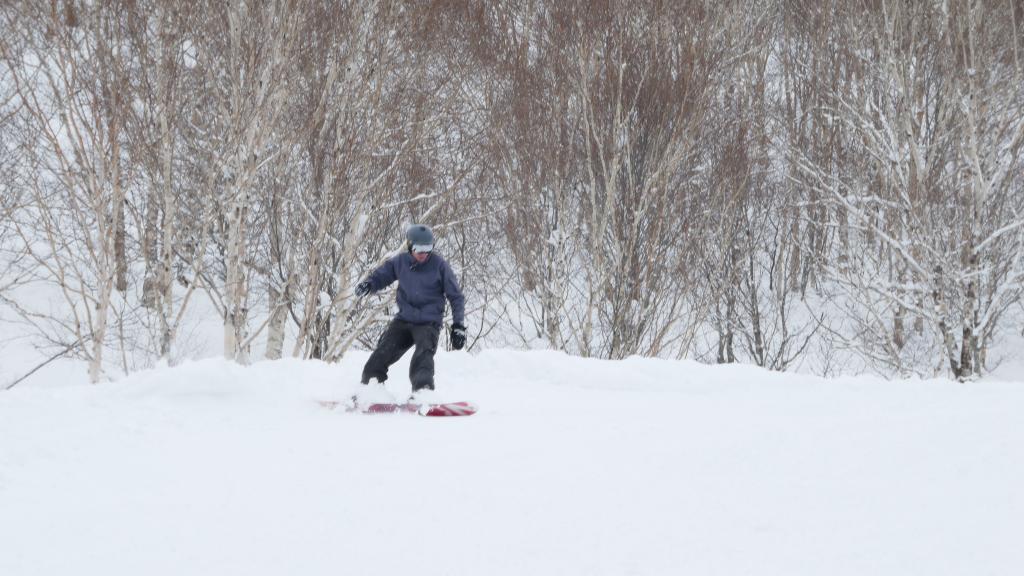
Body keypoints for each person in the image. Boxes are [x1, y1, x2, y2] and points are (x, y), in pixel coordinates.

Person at [353, 224, 466, 404]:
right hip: (404, 320)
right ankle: (370, 388)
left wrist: (458, 326)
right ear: (409, 246)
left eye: (428, 248)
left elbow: (456, 297)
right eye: (419, 249)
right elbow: (382, 275)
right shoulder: (400, 262)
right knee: (383, 351)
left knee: (423, 355)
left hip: (428, 323)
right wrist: (369, 284)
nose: (424, 254)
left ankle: (423, 393)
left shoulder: (439, 266)